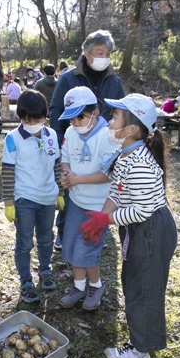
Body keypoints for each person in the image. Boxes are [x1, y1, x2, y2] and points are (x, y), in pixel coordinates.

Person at [78, 94, 177, 358]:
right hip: (139, 228)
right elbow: (118, 194)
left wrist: (105, 221)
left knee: (143, 287)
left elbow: (143, 210)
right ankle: (143, 339)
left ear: (131, 129)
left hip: (150, 230)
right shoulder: (126, 154)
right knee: (134, 281)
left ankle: (140, 349)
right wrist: (101, 216)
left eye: (115, 118)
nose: (109, 122)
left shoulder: (141, 163)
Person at [48, 29, 125, 250]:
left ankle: (98, 228)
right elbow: (56, 110)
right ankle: (63, 232)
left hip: (104, 141)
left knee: (102, 185)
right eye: (100, 51)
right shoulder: (69, 77)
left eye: (108, 52)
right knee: (70, 185)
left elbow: (120, 110)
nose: (104, 57)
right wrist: (61, 142)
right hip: (73, 140)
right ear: (86, 53)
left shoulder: (114, 80)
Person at [56, 87, 119, 310]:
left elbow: (109, 173)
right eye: (71, 119)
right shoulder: (72, 132)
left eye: (80, 117)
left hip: (100, 206)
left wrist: (77, 179)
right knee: (72, 246)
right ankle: (79, 286)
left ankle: (96, 285)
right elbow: (66, 158)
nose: (75, 123)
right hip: (77, 201)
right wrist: (66, 175)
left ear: (96, 112)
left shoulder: (107, 136)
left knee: (88, 248)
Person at [1, 90, 64, 303]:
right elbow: (7, 171)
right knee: (25, 242)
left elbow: (56, 165)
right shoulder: (12, 139)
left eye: (38, 119)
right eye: (28, 119)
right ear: (19, 116)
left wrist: (60, 192)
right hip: (25, 199)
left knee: (46, 238)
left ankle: (45, 271)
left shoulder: (51, 135)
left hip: (48, 198)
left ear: (45, 116)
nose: (33, 123)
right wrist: (9, 202)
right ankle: (26, 281)